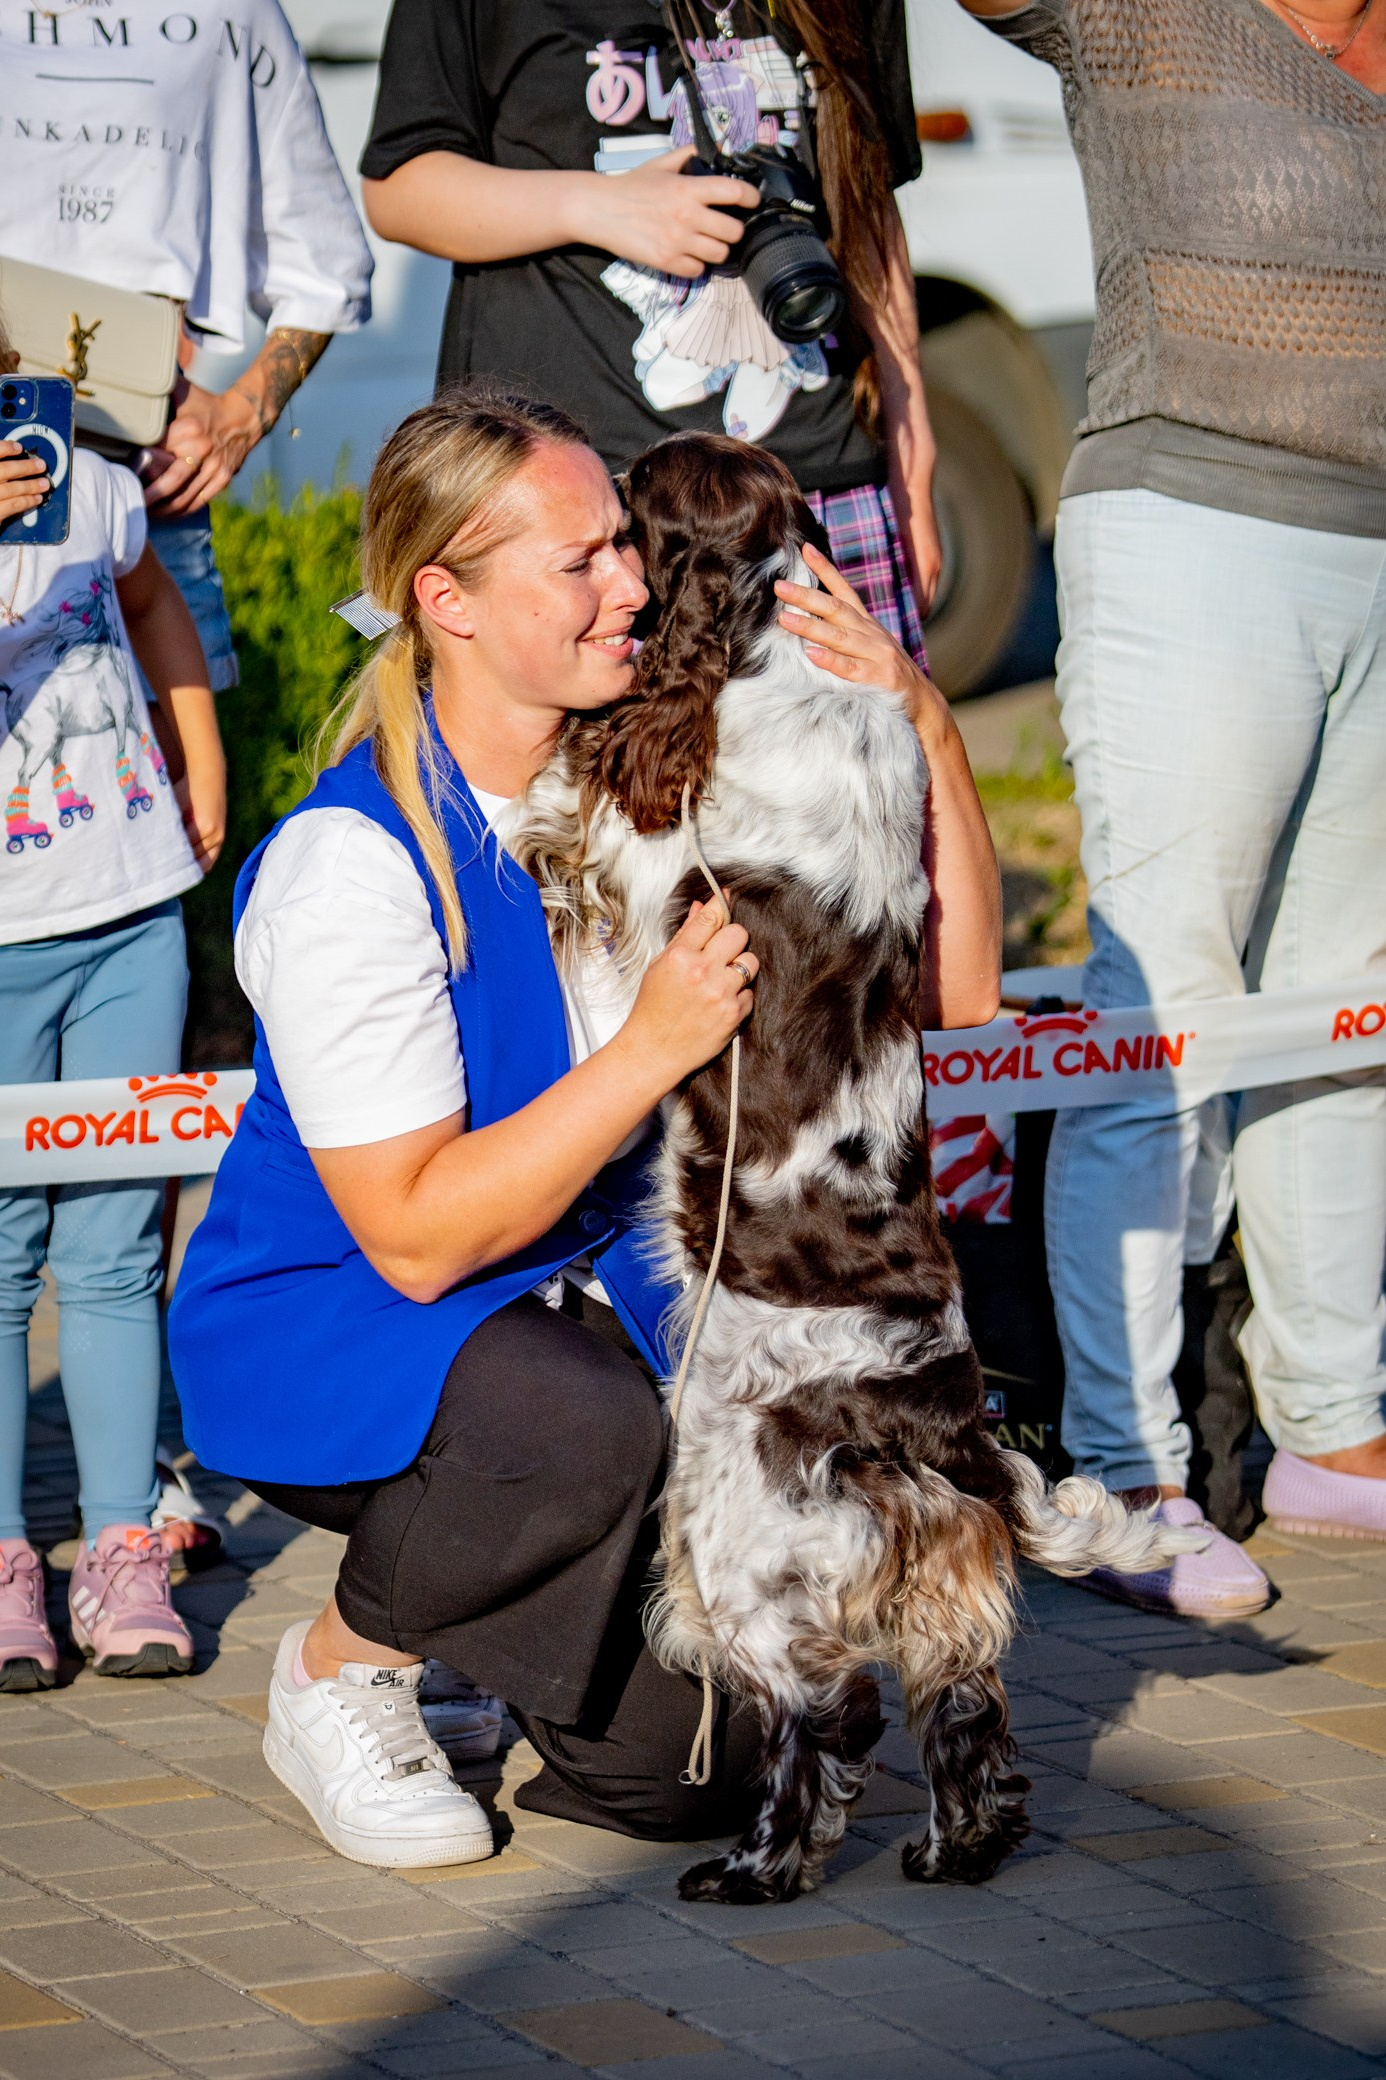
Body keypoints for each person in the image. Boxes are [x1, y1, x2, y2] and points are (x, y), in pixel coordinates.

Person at [167, 384, 1000, 1866]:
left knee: (722, 1765)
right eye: (582, 562)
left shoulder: (637, 781)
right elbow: (418, 1242)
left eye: (626, 544)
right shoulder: (348, 865)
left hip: (563, 1308)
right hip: (348, 1325)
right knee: (586, 1421)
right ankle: (345, 1669)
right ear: (451, 601)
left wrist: (917, 714)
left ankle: (490, 1642)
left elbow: (958, 988)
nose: (633, 585)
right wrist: (655, 1044)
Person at [958, 0, 1386, 1605]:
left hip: (1384, 553)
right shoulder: (1138, 14)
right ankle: (1124, 1468)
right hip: (1194, 525)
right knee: (1165, 1024)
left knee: (1348, 1016)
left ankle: (1333, 1440)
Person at [359, 0, 939, 668]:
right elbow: (398, 185)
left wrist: (911, 454)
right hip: (608, 517)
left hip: (817, 487)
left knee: (874, 765)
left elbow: (867, 202)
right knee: (626, 771)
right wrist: (596, 206)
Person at [0, 317, 226, 1689]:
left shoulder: (91, 483)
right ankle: (8, 1567)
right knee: (0, 1256)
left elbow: (147, 601)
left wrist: (198, 754)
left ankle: (122, 1551)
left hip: (129, 912)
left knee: (117, 1251)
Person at [0, 0, 374, 691]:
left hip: (146, 473)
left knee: (174, 786)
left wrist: (243, 414)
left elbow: (328, 261)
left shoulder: (230, 9)